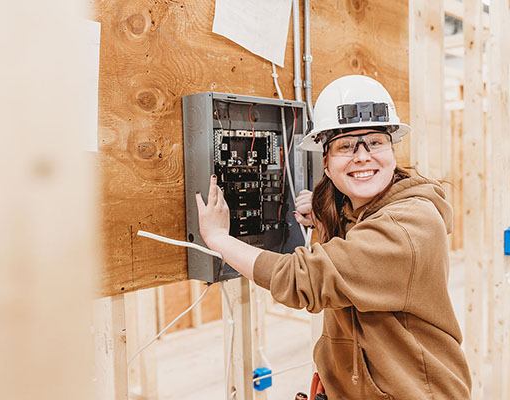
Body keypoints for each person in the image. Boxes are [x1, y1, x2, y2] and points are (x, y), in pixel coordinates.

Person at [196, 75, 472, 399]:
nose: (362, 155)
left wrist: (218, 238)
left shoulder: (406, 226)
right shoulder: (367, 214)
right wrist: (325, 221)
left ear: (392, 150)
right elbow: (352, 258)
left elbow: (303, 279)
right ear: (325, 164)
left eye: (375, 141)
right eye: (345, 146)